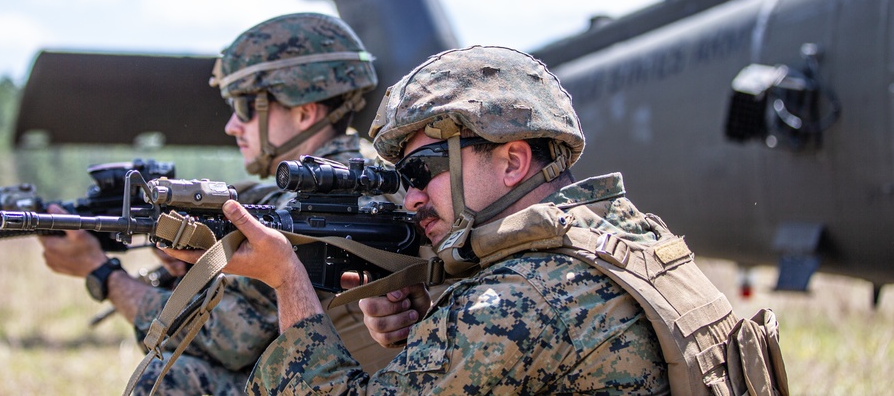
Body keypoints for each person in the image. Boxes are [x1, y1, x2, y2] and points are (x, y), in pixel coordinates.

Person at [166, 44, 675, 393]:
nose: (409, 199)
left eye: (421, 171)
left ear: (513, 161)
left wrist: (288, 283)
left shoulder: (512, 304)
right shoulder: (634, 238)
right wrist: (434, 309)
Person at [38, 12, 402, 395]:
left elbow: (225, 339)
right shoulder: (370, 174)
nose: (231, 125)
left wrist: (103, 275)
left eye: (245, 106)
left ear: (304, 111)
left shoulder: (314, 205)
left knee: (166, 379)